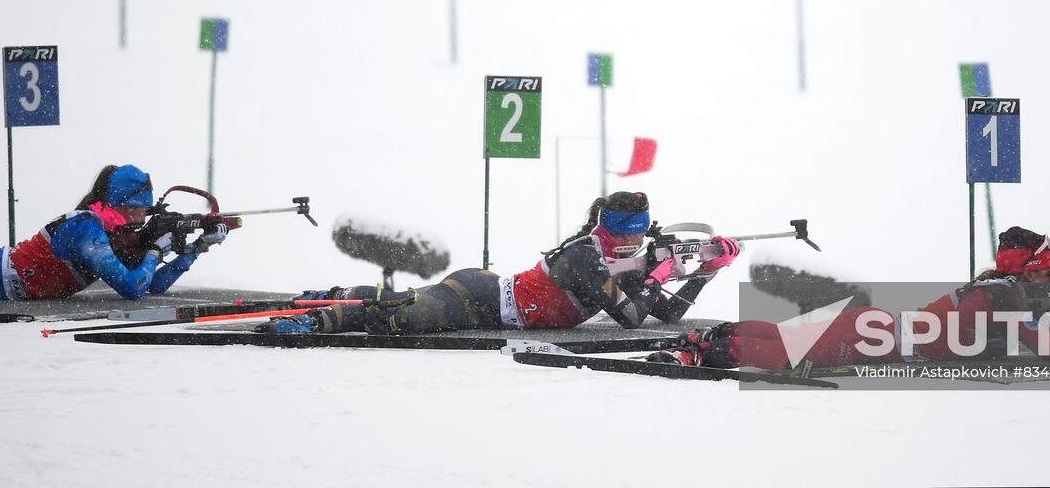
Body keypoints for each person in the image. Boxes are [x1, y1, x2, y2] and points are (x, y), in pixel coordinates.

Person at [648, 226, 1050, 369]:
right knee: (785, 354)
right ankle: (704, 352)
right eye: (1047, 274)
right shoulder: (1003, 297)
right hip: (882, 340)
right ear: (1030, 273)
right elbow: (1047, 346)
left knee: (788, 340)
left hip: (879, 328)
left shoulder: (1000, 290)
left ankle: (711, 337)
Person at [263, 190, 740, 335]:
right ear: (604, 226)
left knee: (407, 307)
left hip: (493, 298)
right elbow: (632, 317)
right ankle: (319, 319)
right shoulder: (583, 258)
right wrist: (657, 273)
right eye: (623, 231)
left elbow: (667, 313)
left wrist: (703, 272)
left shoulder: (622, 263)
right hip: (477, 296)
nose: (631, 241)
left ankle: (339, 295)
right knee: (402, 320)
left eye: (638, 233)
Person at [0, 164, 228, 301]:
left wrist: (196, 249)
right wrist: (155, 250)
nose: (146, 213)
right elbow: (132, 288)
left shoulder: (112, 234)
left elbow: (150, 285)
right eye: (144, 207)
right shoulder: (87, 228)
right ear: (127, 205)